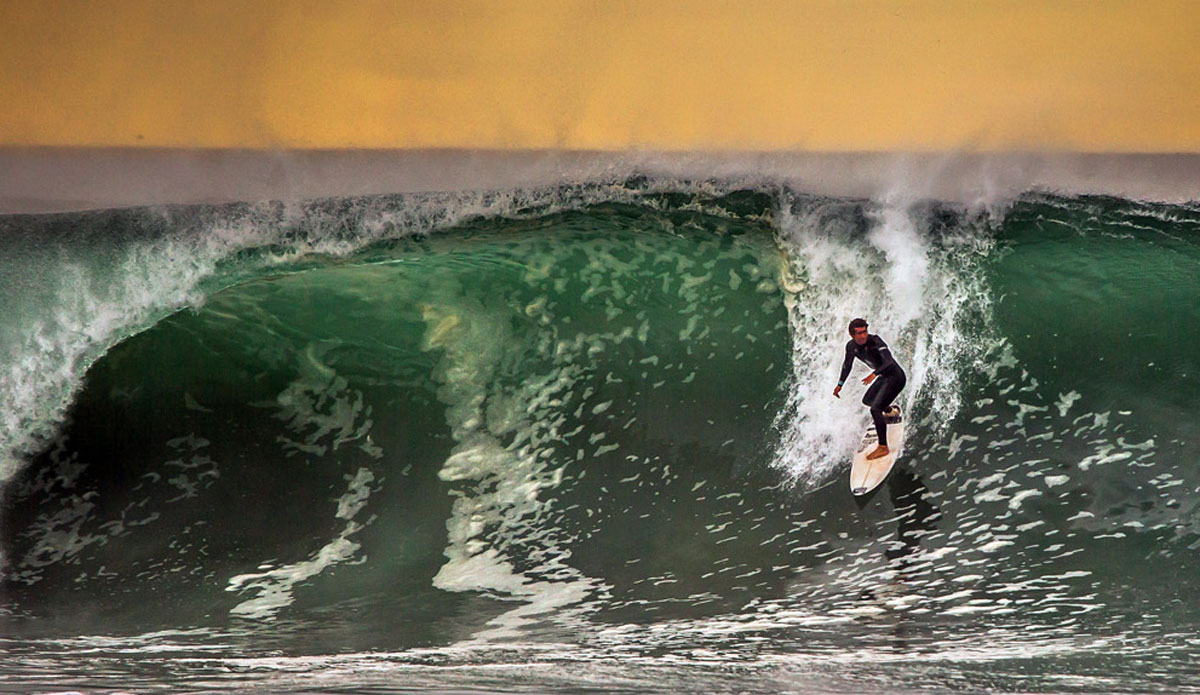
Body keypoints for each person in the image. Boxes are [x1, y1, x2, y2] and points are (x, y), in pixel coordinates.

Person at [833, 318, 906, 460]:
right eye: (859, 333)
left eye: (864, 332)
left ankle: (883, 447)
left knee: (875, 409)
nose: (863, 336)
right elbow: (847, 366)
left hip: (896, 377)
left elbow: (889, 361)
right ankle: (890, 412)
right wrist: (840, 385)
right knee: (868, 400)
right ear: (852, 335)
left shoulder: (876, 341)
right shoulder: (851, 347)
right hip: (884, 377)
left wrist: (874, 374)